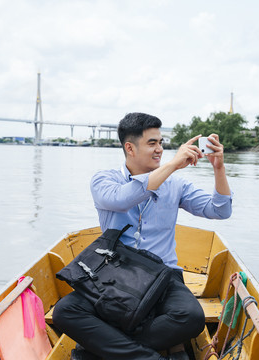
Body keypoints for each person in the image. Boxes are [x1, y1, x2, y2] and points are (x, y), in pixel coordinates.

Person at [53, 112, 233, 360]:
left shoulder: (176, 185)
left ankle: (101, 350)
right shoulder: (104, 180)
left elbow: (220, 210)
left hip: (164, 275)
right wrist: (172, 165)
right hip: (114, 275)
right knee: (65, 312)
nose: (160, 149)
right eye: (152, 143)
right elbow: (123, 198)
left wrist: (219, 168)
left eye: (160, 142)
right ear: (130, 147)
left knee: (191, 317)